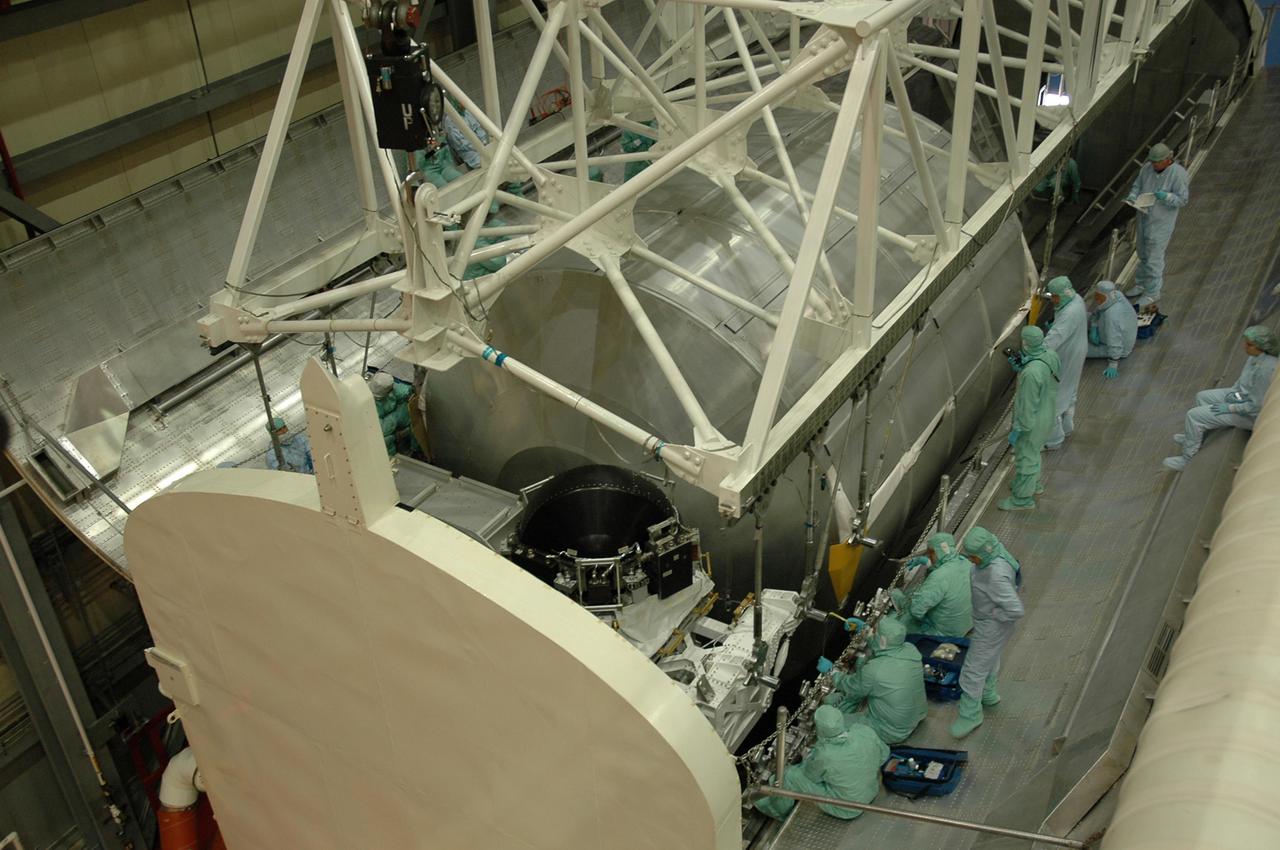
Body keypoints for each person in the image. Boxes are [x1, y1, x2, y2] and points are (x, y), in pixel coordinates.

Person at [1163, 326, 1278, 471]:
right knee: (1202, 397)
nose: (1245, 347)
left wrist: (1230, 407)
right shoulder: (1254, 358)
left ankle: (1187, 459)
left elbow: (1256, 406)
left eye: (1249, 344)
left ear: (1262, 346)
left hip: (1250, 415)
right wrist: (1234, 394)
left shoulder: (1265, 370)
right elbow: (1243, 382)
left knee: (1193, 416)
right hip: (1241, 397)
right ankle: (1195, 437)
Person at [950, 527, 1024, 738]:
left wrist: (994, 614)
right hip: (991, 623)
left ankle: (971, 714)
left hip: (991, 625)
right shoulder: (994, 550)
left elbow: (1015, 610)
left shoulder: (996, 575)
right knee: (990, 659)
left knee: (973, 670)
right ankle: (988, 693)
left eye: (972, 557)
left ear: (981, 554)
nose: (970, 560)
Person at [754, 705, 889, 821]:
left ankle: (776, 811)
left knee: (789, 776)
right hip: (871, 790)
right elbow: (884, 754)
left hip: (847, 808)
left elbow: (811, 776)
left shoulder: (825, 755)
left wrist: (805, 760)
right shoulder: (863, 731)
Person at [820, 616, 928, 745]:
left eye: (875, 631)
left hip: (891, 731)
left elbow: (853, 686)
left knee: (830, 725)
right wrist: (864, 630)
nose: (873, 632)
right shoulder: (910, 650)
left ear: (882, 639)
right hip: (917, 715)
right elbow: (885, 645)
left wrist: (832, 672)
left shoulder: (875, 670)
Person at [1124, 143, 1190, 313]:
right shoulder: (1146, 169)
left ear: (1168, 160)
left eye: (1157, 162)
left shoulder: (1178, 174)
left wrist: (1166, 196)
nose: (1153, 165)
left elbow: (1182, 200)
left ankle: (1152, 292)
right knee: (1143, 253)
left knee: (1154, 257)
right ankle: (1141, 284)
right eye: (1152, 162)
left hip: (1161, 223)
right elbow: (1138, 185)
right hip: (1144, 217)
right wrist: (1133, 195)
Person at [1000, 326, 1060, 512]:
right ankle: (1032, 484)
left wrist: (1020, 427)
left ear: (1025, 343)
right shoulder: (1050, 355)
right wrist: (1026, 363)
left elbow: (1027, 405)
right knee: (1035, 452)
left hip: (1032, 422)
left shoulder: (1030, 374)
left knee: (1026, 457)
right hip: (1047, 412)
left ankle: (1022, 500)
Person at [889, 532, 973, 637]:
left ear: (935, 552)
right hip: (967, 622)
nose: (929, 557)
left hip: (944, 632)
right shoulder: (966, 563)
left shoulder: (939, 577)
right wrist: (928, 563)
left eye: (930, 554)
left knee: (892, 624)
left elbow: (916, 610)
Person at [1043, 276, 1086, 450]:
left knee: (1053, 399)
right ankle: (1067, 427)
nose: (1052, 300)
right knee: (1069, 391)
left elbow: (1056, 337)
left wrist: (1035, 353)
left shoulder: (1069, 312)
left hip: (1067, 356)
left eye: (1055, 296)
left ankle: (1054, 440)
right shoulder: (1075, 299)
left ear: (1064, 293)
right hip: (1075, 352)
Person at [1086, 281, 1138, 379]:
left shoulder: (1112, 316)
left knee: (1079, 349)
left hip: (1118, 349)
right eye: (1096, 296)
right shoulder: (1116, 295)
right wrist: (1094, 326)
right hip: (1108, 329)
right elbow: (1098, 311)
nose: (1097, 300)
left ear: (1107, 296)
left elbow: (1114, 339)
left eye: (1099, 297)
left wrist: (1113, 363)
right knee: (1083, 316)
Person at [370, 372, 417, 457]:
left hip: (394, 417)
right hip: (382, 425)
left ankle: (415, 449)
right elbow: (381, 429)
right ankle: (392, 460)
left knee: (415, 421)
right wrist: (395, 418)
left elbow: (406, 392)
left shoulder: (392, 390)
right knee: (385, 441)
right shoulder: (370, 403)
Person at [444, 94, 488, 170]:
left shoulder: (466, 112)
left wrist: (484, 141)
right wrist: (477, 147)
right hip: (468, 152)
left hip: (481, 146)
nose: (463, 104)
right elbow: (460, 143)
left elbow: (478, 128)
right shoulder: (450, 121)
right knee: (485, 163)